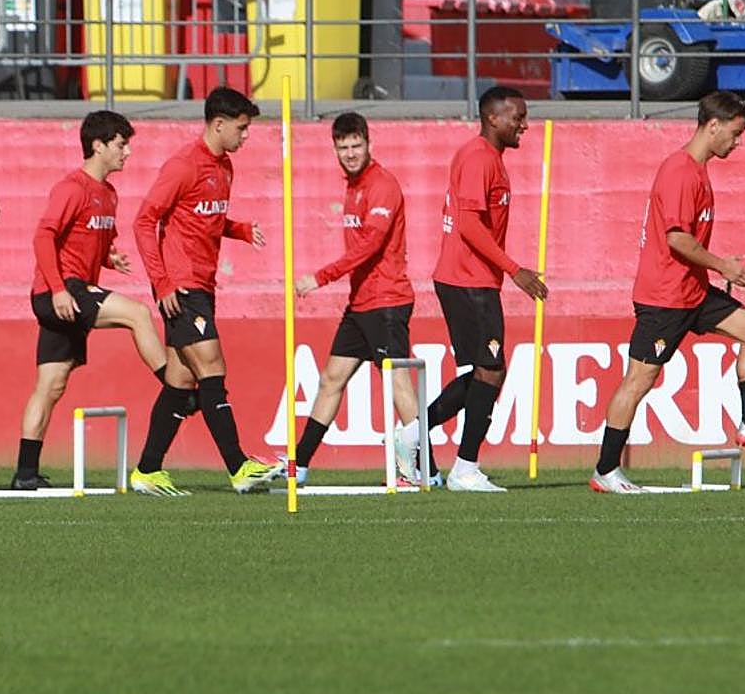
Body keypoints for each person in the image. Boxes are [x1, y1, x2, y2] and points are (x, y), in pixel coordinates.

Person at [591, 90, 745, 494]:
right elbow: (677, 240)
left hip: (693, 292)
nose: (737, 143)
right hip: (663, 297)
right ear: (713, 125)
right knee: (638, 380)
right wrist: (725, 266)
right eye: (735, 134)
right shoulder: (680, 171)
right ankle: (605, 470)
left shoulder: (699, 171)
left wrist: (714, 269)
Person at [131, 87, 283, 494]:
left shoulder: (226, 167)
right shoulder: (183, 166)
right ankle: (238, 467)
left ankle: (147, 470)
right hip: (181, 288)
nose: (245, 136)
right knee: (212, 368)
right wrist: (162, 283)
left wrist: (240, 230)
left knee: (180, 382)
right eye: (242, 128)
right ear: (218, 124)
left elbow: (206, 219)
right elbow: (144, 221)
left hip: (203, 284)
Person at [13, 110, 169, 490]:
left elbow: (86, 242)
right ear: (97, 146)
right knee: (137, 313)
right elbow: (43, 238)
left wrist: (107, 258)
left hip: (70, 291)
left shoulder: (108, 194)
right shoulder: (72, 188)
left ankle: (25, 472)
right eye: (121, 144)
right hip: (62, 292)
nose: (127, 152)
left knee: (51, 384)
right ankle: (176, 387)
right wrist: (58, 288)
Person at [290, 112, 428, 485]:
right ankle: (299, 465)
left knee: (398, 384)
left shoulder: (382, 185)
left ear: (369, 144)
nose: (350, 153)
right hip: (362, 302)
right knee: (331, 378)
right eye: (343, 147)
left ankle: (421, 470)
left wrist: (320, 277)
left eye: (356, 146)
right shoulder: (353, 186)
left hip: (387, 300)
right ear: (335, 148)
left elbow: (370, 245)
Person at [428, 85, 548, 493]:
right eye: (518, 117)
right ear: (493, 118)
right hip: (469, 280)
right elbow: (469, 224)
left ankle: (414, 433)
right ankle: (462, 466)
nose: (525, 126)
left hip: (469, 278)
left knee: (486, 371)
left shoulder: (482, 156)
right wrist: (515, 270)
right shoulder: (480, 158)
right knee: (491, 370)